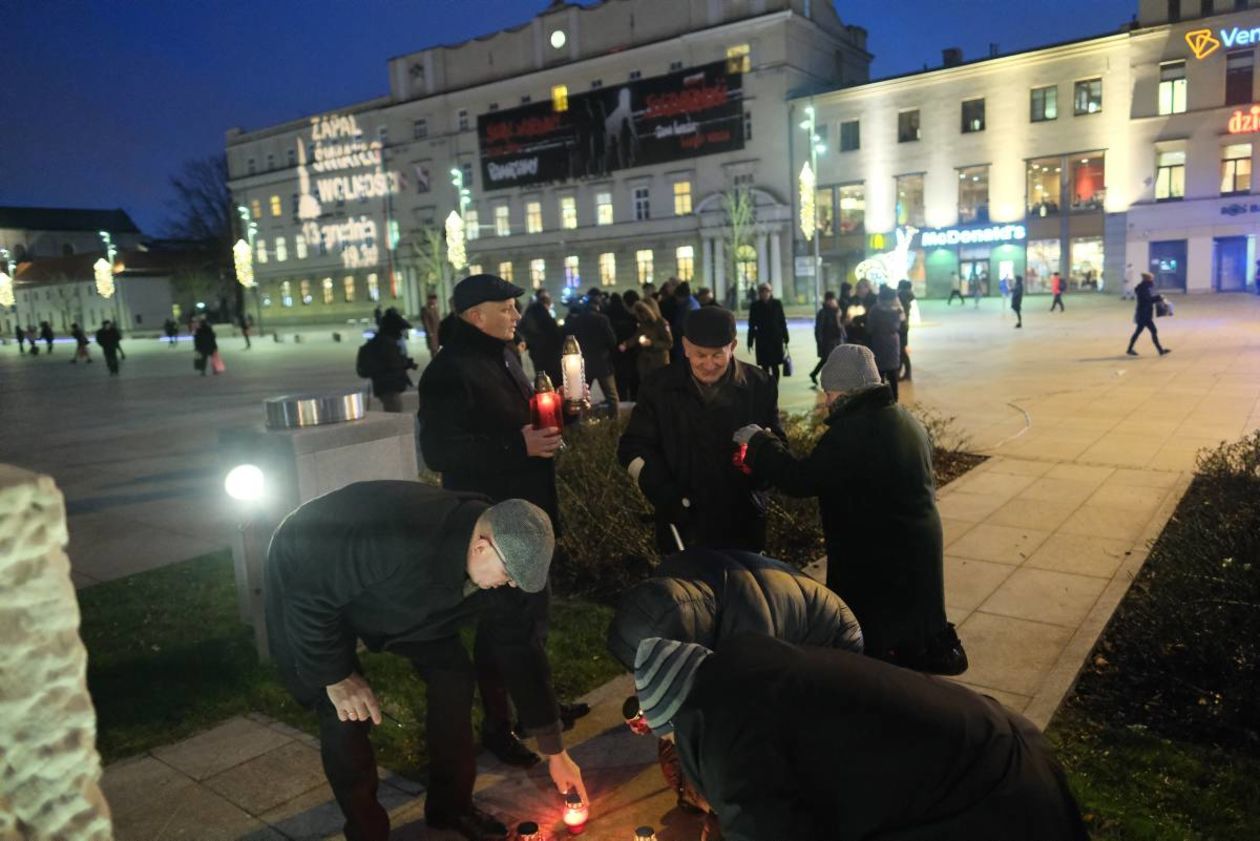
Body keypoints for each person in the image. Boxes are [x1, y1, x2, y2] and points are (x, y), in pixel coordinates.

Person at [265, 481, 584, 841]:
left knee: (454, 677)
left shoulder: (504, 554)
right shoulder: (397, 534)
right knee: (344, 712)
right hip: (310, 570)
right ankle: (367, 831)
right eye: (509, 576)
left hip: (401, 597)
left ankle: (451, 807)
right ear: (481, 548)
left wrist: (555, 750)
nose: (511, 586)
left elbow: (522, 650)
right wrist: (337, 677)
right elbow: (308, 598)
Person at [631, 634, 1089, 841]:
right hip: (999, 747)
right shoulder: (753, 678)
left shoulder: (729, 733)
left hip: (985, 798)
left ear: (676, 721)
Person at [418, 274, 589, 771]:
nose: (517, 315)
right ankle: (499, 725)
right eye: (507, 308)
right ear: (476, 316)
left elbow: (527, 419)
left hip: (530, 510)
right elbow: (438, 451)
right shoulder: (449, 371)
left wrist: (565, 412)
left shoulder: (505, 356)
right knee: (502, 629)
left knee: (531, 621)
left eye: (515, 307)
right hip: (492, 524)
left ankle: (540, 706)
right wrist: (518, 445)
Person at [739, 344, 967, 674]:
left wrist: (760, 444)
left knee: (876, 637)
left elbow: (801, 479)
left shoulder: (854, 431)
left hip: (876, 553)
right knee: (911, 625)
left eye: (829, 392)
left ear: (846, 391)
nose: (827, 401)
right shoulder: (904, 420)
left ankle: (883, 691)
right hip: (914, 544)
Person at [608, 548, 863, 818]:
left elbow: (749, 728)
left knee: (778, 749)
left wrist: (727, 806)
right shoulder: (674, 600)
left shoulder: (748, 636)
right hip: (782, 624)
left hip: (833, 644)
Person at [618, 306, 785, 555]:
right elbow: (633, 447)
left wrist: (763, 469)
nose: (708, 365)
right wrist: (664, 493)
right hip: (682, 523)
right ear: (685, 347)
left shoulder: (759, 385)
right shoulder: (658, 387)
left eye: (717, 355)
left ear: (733, 346)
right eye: (700, 355)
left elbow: (777, 442)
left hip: (742, 520)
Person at [563, 291, 620, 414]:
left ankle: (581, 421)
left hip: (586, 363)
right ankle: (616, 423)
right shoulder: (602, 319)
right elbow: (612, 340)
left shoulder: (578, 320)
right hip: (603, 362)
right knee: (612, 397)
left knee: (580, 396)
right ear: (597, 306)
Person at [357, 309, 417, 412]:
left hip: (385, 386)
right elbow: (392, 363)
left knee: (393, 409)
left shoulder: (381, 340)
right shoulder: (386, 343)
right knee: (395, 412)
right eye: (400, 330)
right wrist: (405, 363)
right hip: (388, 387)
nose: (401, 334)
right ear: (394, 329)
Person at [518, 289, 563, 387]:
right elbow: (553, 332)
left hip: (536, 351)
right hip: (548, 352)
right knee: (551, 378)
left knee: (542, 376)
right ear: (547, 303)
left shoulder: (531, 310)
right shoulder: (542, 313)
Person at [867, 286, 905, 402]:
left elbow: (869, 328)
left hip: (878, 342)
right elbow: (902, 327)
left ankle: (881, 400)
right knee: (893, 373)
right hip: (893, 342)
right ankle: (894, 399)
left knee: (879, 373)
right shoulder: (898, 310)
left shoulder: (875, 310)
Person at [746, 283, 789, 384]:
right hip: (762, 339)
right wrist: (750, 341)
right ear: (759, 293)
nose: (765, 294)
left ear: (770, 292)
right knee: (764, 366)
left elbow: (782, 321)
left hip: (775, 338)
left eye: (767, 291)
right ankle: (767, 386)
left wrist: (786, 337)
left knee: (775, 365)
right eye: (762, 292)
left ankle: (775, 385)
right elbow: (751, 325)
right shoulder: (755, 306)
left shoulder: (777, 304)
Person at [608, 290, 641, 402]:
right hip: (635, 355)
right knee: (634, 385)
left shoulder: (611, 317)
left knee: (622, 384)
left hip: (620, 356)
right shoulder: (637, 318)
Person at [1127, 272, 1170, 356]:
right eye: (1151, 278)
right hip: (1144, 314)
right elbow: (1147, 300)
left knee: (1140, 332)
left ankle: (1130, 349)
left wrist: (1158, 297)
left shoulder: (1145, 287)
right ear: (1147, 279)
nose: (1152, 280)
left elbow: (1149, 298)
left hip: (1145, 313)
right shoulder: (1143, 288)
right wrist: (1158, 298)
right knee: (1151, 331)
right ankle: (1160, 350)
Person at [630, 298, 671, 382]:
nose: (642, 315)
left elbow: (669, 343)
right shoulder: (642, 323)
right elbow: (636, 337)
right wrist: (627, 344)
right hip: (645, 363)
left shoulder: (661, 323)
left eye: (643, 312)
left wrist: (652, 343)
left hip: (659, 363)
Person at [809, 291, 844, 387]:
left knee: (828, 360)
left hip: (837, 340)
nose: (833, 302)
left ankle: (814, 374)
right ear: (827, 301)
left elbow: (840, 326)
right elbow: (818, 329)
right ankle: (829, 379)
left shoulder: (838, 311)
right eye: (830, 300)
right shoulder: (822, 312)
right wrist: (820, 342)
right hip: (827, 341)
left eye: (833, 300)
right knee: (828, 360)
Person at [669, 281, 700, 362]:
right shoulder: (692, 303)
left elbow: (682, 326)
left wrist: (670, 329)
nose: (676, 300)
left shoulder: (688, 307)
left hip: (684, 343)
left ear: (681, 296)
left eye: (677, 298)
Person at [896, 279, 915, 382]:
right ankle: (905, 372)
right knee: (902, 349)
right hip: (904, 325)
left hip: (901, 326)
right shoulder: (907, 296)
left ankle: (904, 372)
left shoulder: (901, 296)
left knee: (901, 350)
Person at [420, 293, 442, 358]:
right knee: (433, 349)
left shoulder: (436, 307)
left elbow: (438, 319)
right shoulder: (425, 309)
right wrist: (429, 332)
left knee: (436, 348)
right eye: (432, 299)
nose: (434, 301)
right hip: (432, 333)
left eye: (435, 300)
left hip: (437, 331)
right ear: (428, 300)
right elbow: (425, 322)